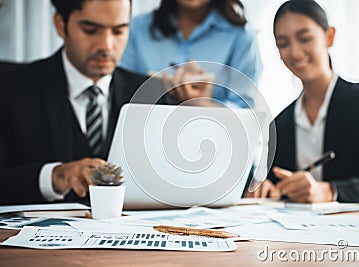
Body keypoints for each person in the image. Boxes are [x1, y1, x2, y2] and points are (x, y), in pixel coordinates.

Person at [247, 0, 359, 208]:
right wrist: (272, 190)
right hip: (300, 236)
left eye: (304, 38)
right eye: (283, 43)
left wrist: (327, 191)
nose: (295, 52)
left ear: (329, 36)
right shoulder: (281, 124)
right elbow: (279, 184)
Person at [0, 0, 151, 205]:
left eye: (118, 31)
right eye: (90, 30)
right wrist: (54, 177)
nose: (106, 46)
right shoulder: (11, 89)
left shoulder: (152, 94)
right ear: (60, 25)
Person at [119, 0, 263, 107]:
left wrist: (201, 105)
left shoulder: (242, 36)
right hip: (144, 134)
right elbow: (118, 96)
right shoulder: (136, 28)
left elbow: (244, 113)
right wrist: (159, 91)